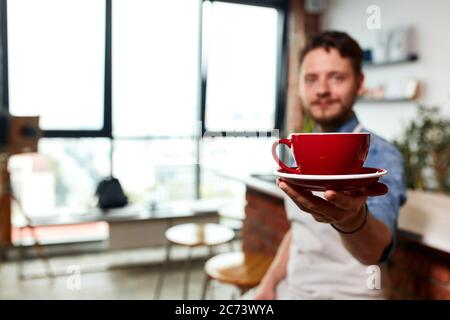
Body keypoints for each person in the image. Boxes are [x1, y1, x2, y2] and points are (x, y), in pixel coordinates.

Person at [251, 31, 407, 299]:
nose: (322, 89)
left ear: (359, 84)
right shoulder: (301, 148)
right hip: (294, 289)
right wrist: (269, 282)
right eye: (311, 79)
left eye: (336, 77)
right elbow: (301, 230)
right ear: (299, 86)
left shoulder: (381, 154)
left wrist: (351, 219)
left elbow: (375, 251)